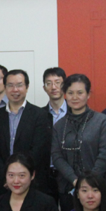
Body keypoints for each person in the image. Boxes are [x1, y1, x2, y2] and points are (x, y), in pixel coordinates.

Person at [51, 74, 106, 211]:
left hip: (97, 188)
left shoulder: (101, 121)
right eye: (70, 93)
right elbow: (57, 157)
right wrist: (75, 180)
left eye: (80, 93)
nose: (75, 97)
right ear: (65, 94)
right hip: (68, 188)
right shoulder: (59, 126)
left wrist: (88, 183)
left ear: (88, 94)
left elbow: (105, 155)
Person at [0, 69, 52, 199]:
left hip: (31, 183)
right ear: (5, 87)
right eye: (10, 85)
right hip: (1, 184)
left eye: (19, 85)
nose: (15, 89)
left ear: (27, 87)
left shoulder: (41, 116)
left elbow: (39, 150)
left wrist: (20, 177)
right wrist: (7, 177)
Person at [42, 67, 67, 198]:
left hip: (69, 174)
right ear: (44, 88)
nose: (53, 87)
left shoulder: (75, 113)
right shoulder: (39, 115)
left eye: (58, 82)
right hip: (46, 175)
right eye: (49, 83)